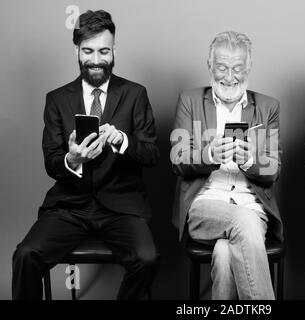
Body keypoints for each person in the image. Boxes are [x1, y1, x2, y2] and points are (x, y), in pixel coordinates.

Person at [12, 10, 159, 299]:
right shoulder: (56, 99)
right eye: (88, 51)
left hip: (121, 206)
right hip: (70, 206)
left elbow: (152, 154)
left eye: (104, 51)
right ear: (77, 50)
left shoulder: (135, 94)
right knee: (26, 255)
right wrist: (73, 160)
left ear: (114, 49)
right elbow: (51, 162)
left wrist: (123, 141)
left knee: (147, 258)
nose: (95, 60)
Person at [170, 31, 283, 300]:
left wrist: (250, 161)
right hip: (203, 205)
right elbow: (177, 159)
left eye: (237, 68)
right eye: (221, 67)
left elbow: (274, 170)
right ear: (210, 67)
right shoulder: (190, 100)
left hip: (251, 205)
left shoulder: (268, 107)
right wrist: (209, 155)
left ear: (248, 68)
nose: (229, 77)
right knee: (244, 223)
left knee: (224, 251)